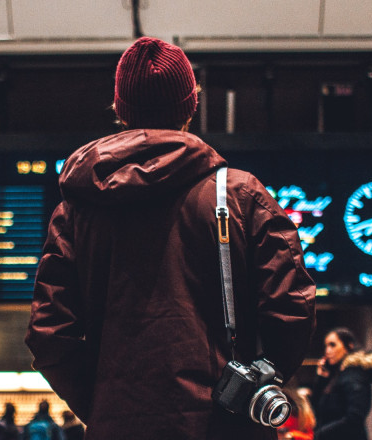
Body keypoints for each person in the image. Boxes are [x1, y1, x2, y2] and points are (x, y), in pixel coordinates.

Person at [25, 36, 316, 440]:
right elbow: (292, 308)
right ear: (190, 105)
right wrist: (255, 384)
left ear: (120, 110)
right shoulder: (240, 195)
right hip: (223, 426)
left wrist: (104, 405)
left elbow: (49, 333)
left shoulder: (77, 209)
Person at [312, 327, 372, 440]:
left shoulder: (353, 376)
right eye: (326, 346)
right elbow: (317, 408)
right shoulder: (338, 376)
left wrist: (321, 434)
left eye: (332, 345)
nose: (327, 350)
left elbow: (355, 418)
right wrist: (322, 379)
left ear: (349, 346)